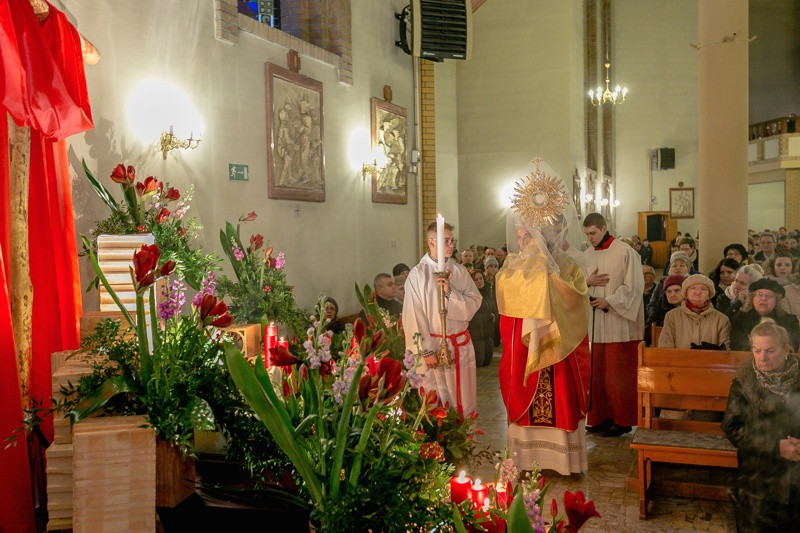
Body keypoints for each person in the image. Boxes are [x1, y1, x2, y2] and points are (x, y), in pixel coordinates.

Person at [497, 160, 590, 474]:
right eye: (532, 230)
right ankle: (526, 459)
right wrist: (534, 273)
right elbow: (506, 294)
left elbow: (578, 296)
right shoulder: (513, 264)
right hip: (526, 350)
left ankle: (563, 462)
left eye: (549, 227)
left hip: (557, 349)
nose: (540, 234)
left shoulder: (567, 263)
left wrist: (551, 279)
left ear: (558, 228)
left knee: (559, 398)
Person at [722, 320, 800, 531]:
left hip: (796, 478)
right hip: (758, 477)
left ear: (786, 350)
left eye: (770, 350)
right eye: (757, 350)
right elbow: (733, 428)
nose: (762, 357)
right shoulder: (744, 383)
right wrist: (776, 446)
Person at [403, 221, 482, 416]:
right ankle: (440, 445)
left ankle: (465, 442)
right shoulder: (418, 275)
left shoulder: (460, 272)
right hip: (434, 347)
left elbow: (473, 304)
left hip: (459, 347)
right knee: (437, 400)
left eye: (452, 241)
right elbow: (413, 315)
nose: (451, 245)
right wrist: (426, 350)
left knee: (464, 400)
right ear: (431, 241)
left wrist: (449, 293)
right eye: (446, 241)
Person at [582, 212, 645, 437]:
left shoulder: (625, 251)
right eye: (587, 234)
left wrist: (609, 301)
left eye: (593, 233)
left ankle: (622, 420)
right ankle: (599, 418)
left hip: (620, 324)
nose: (590, 238)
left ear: (604, 227)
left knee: (618, 375)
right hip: (596, 323)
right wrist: (587, 293)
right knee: (598, 373)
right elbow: (580, 281)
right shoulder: (587, 254)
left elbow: (634, 287)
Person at [657, 274, 730, 350]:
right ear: (686, 293)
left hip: (710, 361)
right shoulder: (672, 316)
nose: (698, 292)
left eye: (703, 289)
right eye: (693, 288)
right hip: (679, 361)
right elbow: (665, 347)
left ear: (709, 294)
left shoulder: (722, 319)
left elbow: (726, 351)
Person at [730, 278, 800, 351]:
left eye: (769, 295)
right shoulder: (740, 319)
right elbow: (737, 344)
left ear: (777, 301)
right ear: (752, 298)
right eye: (759, 294)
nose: (763, 298)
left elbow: (791, 345)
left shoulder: (790, 321)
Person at [644, 273, 685, 346]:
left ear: (685, 292)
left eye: (677, 290)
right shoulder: (659, 308)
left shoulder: (692, 308)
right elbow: (647, 334)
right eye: (669, 291)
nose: (672, 294)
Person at [468, 271, 496, 367]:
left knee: (487, 363)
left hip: (488, 335)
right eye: (475, 280)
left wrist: (494, 316)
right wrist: (490, 317)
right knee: (479, 363)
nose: (479, 281)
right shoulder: (471, 296)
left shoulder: (488, 293)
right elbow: (473, 318)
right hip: (477, 336)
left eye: (480, 278)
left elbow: (495, 310)